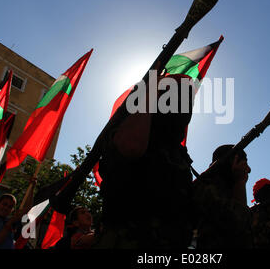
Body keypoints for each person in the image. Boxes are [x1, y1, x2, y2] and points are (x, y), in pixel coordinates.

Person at [95, 74, 196, 248]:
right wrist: (149, 92)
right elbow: (131, 147)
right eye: (177, 95)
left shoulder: (178, 152)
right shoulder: (126, 131)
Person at [191, 144, 253, 249]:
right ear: (233, 162)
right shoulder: (206, 189)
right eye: (244, 163)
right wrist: (240, 182)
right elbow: (240, 225)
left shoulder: (224, 191)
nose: (249, 169)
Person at [0, 184, 36, 249]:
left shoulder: (11, 221)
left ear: (12, 210)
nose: (6, 208)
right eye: (4, 204)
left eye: (10, 207)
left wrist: (32, 187)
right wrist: (10, 222)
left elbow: (27, 209)